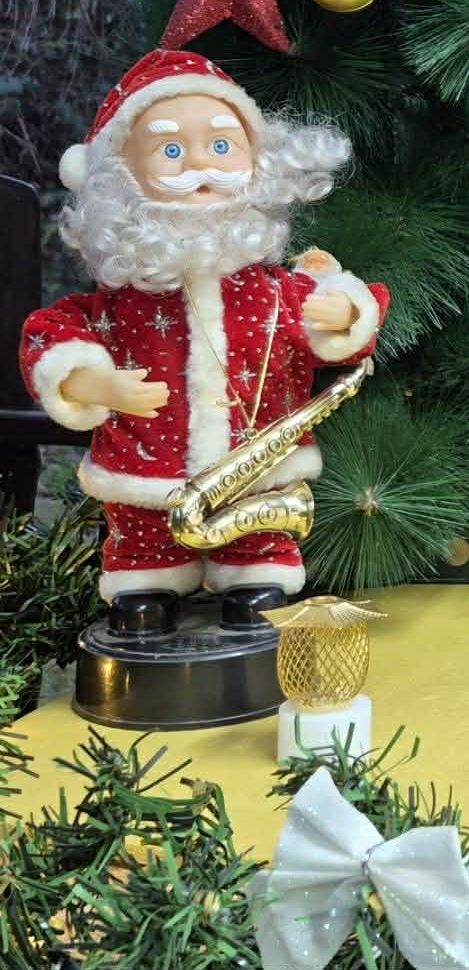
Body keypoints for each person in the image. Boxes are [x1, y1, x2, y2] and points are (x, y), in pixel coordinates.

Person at [18, 50, 387, 634]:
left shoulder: (275, 290)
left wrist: (344, 312)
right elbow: (51, 332)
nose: (199, 166)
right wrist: (90, 380)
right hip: (147, 474)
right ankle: (150, 583)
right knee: (144, 548)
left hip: (259, 479)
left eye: (220, 145)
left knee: (258, 547)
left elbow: (348, 330)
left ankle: (253, 575)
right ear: (119, 176)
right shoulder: (120, 300)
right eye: (170, 150)